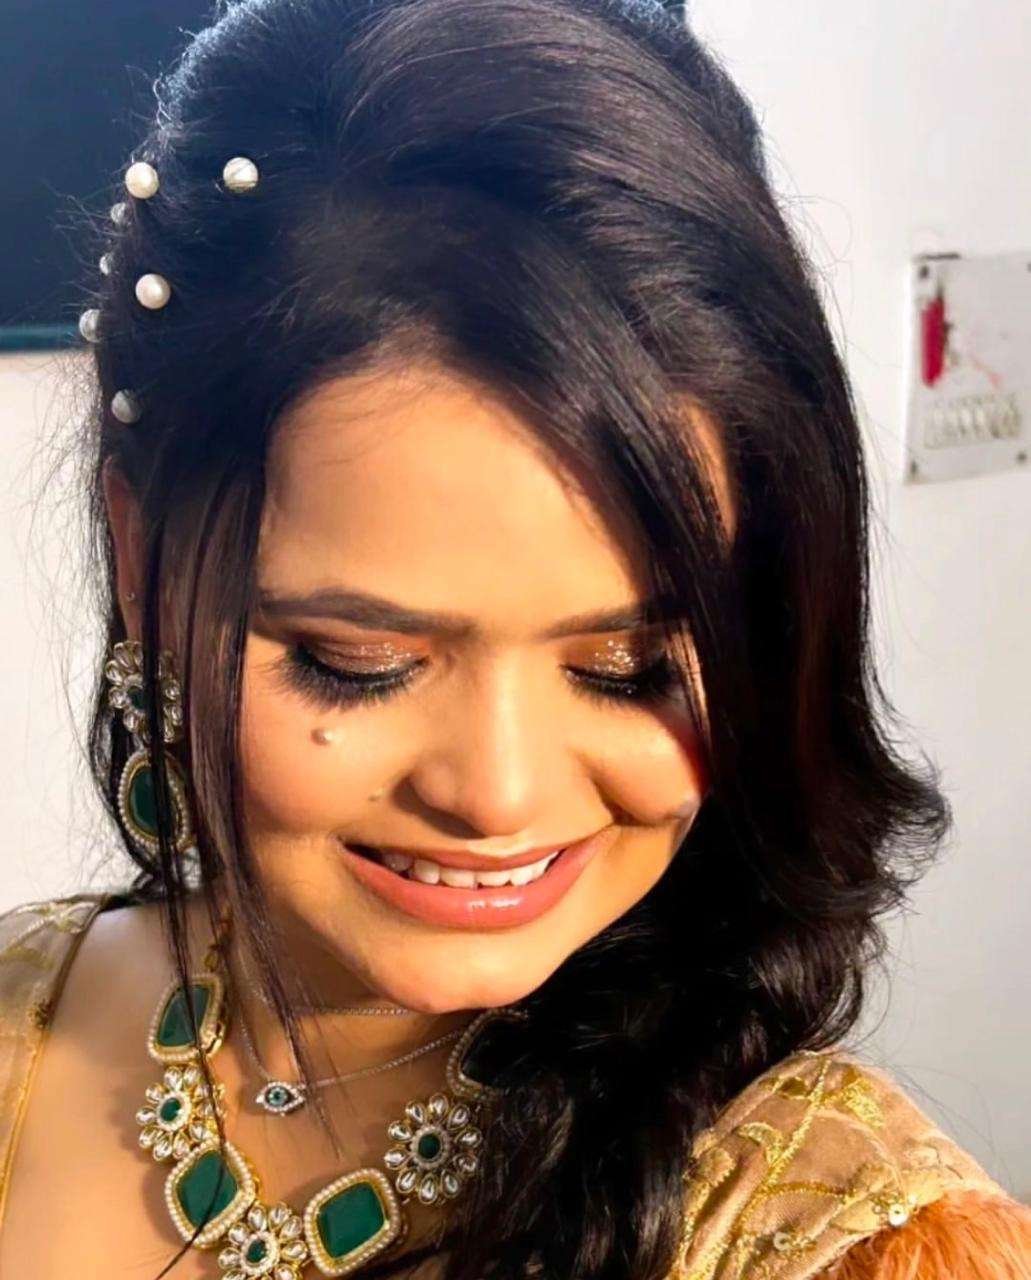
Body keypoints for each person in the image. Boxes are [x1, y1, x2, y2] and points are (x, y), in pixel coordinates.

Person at [0, 0, 1027, 1275]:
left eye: (629, 671)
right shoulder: (20, 1020)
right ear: (146, 560)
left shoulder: (849, 1238)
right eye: (360, 664)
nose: (495, 793)